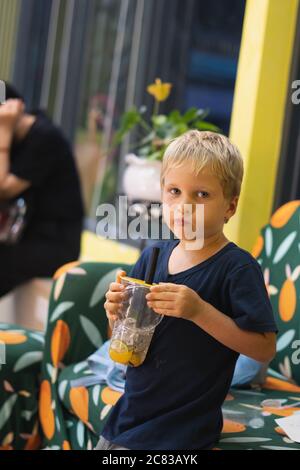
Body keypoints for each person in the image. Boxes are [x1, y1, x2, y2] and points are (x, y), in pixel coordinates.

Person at [96, 130, 277, 450]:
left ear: (230, 206)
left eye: (202, 195)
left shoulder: (236, 268)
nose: (184, 206)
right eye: (174, 191)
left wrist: (200, 312)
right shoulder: (153, 256)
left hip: (182, 432)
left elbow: (263, 349)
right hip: (129, 416)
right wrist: (115, 314)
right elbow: (127, 341)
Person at [0, 83, 84, 297]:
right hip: (24, 239)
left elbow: (3, 189)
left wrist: (3, 130)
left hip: (54, 245)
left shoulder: (44, 137)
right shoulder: (17, 139)